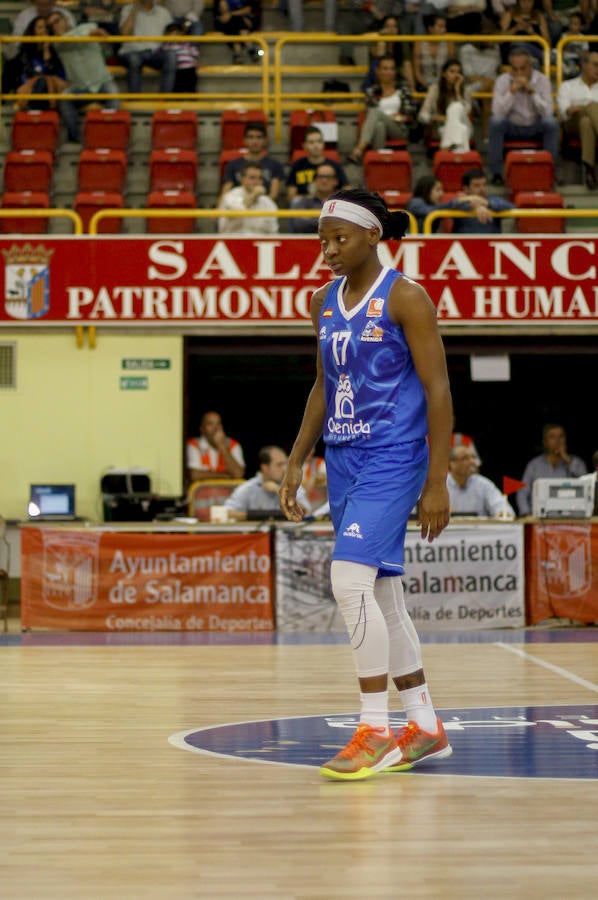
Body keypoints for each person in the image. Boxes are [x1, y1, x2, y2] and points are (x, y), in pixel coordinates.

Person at [279, 188, 454, 780]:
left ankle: (374, 729)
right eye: (322, 240)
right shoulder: (321, 301)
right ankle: (425, 725)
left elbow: (439, 393)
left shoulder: (406, 297)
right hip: (345, 459)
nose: (327, 250)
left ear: (374, 236)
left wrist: (437, 481)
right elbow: (324, 386)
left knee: (347, 579)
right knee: (381, 596)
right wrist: (298, 458)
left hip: (395, 456)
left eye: (339, 238)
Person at [488, 45, 559, 185]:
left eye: (523, 69)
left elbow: (548, 112)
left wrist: (532, 92)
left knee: (551, 123)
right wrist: (511, 92)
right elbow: (497, 112)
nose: (519, 73)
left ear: (531, 66)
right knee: (495, 122)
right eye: (515, 69)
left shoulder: (542, 80)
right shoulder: (503, 80)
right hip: (512, 127)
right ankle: (497, 173)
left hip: (535, 126)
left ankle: (550, 172)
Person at [48, 11, 120, 143]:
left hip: (102, 81)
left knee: (114, 94)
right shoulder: (57, 43)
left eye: (57, 21)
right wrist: (91, 34)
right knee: (64, 98)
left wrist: (91, 33)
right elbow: (70, 40)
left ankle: (105, 137)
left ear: (65, 19)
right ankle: (75, 139)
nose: (55, 26)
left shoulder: (86, 26)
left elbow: (92, 31)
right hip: (80, 87)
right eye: (51, 25)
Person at [346, 55, 417, 164]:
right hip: (377, 127)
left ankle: (359, 149)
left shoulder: (403, 89)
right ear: (378, 71)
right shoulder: (371, 91)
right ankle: (378, 162)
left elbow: (411, 110)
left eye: (392, 69)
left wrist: (400, 116)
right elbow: (369, 114)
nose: (389, 72)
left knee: (375, 113)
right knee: (379, 125)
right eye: (385, 68)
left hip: (398, 127)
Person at [516, 423, 588, 515]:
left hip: (570, 517)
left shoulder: (576, 462)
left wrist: (567, 460)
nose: (557, 441)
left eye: (561, 436)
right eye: (552, 437)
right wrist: (526, 513)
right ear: (545, 442)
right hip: (539, 518)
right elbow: (522, 492)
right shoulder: (534, 465)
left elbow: (587, 485)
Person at [225, 445, 310, 520]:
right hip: (258, 536)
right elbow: (227, 513)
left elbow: (305, 511)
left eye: (285, 464)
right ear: (265, 468)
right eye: (279, 465)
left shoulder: (293, 486)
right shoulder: (247, 488)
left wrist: (278, 490)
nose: (284, 469)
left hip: (287, 537)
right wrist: (258, 516)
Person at [556, 49, 598, 188]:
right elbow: (564, 111)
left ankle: (589, 170)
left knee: (586, 122)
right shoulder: (568, 86)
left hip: (588, 126)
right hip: (572, 125)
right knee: (591, 107)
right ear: (584, 65)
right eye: (595, 64)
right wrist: (584, 107)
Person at [118, 0, 177, 94]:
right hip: (132, 51)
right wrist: (134, 9)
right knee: (134, 60)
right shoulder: (127, 9)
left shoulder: (163, 12)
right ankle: (134, 100)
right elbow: (124, 33)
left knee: (171, 56)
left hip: (156, 52)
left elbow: (172, 34)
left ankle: (164, 99)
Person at [220, 121, 285, 203]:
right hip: (237, 207)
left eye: (259, 137)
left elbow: (273, 195)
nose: (255, 141)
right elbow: (225, 193)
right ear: (245, 140)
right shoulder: (232, 165)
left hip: (264, 208)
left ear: (265, 141)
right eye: (251, 137)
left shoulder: (275, 165)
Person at [418, 57, 473, 151]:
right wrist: (435, 117)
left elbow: (467, 111)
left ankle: (444, 149)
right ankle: (455, 153)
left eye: (458, 72)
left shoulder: (465, 90)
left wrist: (457, 92)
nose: (456, 75)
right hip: (443, 128)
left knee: (456, 107)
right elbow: (422, 115)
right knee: (460, 132)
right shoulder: (435, 89)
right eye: (452, 71)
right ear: (444, 73)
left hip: (464, 124)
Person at [13, 16, 66, 111]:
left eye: (46, 28)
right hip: (30, 89)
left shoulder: (54, 50)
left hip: (52, 91)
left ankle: (32, 108)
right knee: (41, 81)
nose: (44, 31)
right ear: (33, 31)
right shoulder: (26, 51)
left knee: (46, 81)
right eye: (40, 28)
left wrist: (46, 50)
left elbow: (54, 73)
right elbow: (30, 74)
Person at [447, 446, 515, 517]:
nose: (472, 462)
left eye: (473, 457)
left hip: (477, 528)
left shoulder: (483, 484)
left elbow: (501, 505)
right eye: (465, 458)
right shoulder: (441, 484)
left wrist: (503, 513)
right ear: (452, 463)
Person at [286, 126, 348, 202]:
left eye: (319, 141)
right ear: (304, 145)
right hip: (305, 207)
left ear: (323, 144)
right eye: (311, 142)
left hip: (329, 204)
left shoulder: (334, 166)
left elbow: (347, 191)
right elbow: (291, 197)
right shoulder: (297, 166)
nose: (316, 146)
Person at [218, 160, 279, 234]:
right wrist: (254, 194)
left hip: (259, 243)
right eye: (252, 178)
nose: (257, 182)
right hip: (233, 241)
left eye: (260, 178)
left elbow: (273, 232)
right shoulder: (230, 197)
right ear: (242, 179)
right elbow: (239, 210)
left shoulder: (268, 202)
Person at [186, 410, 246, 483]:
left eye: (218, 424)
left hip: (227, 493)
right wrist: (225, 476)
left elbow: (238, 474)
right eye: (210, 424)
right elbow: (194, 475)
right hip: (203, 493)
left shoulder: (233, 445)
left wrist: (223, 447)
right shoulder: (194, 444)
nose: (215, 428)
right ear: (202, 429)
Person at [451, 168, 514, 233]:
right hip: (464, 242)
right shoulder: (461, 201)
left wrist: (488, 204)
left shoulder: (492, 200)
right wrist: (475, 205)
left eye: (484, 185)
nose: (482, 189)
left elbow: (512, 207)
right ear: (466, 189)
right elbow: (443, 207)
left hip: (491, 241)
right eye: (477, 186)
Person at [288, 162, 340, 233]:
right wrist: (331, 221)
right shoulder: (303, 202)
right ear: (315, 180)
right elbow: (299, 225)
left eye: (328, 177)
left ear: (335, 181)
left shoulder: (342, 204)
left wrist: (313, 219)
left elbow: (347, 226)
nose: (324, 181)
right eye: (320, 177)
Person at [499, 0, 551, 67]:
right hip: (513, 53)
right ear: (518, 2)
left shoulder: (539, 17)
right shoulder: (509, 14)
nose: (526, 4)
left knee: (521, 45)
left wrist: (533, 33)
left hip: (535, 52)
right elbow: (499, 40)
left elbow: (548, 44)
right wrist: (516, 29)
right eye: (523, 1)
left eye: (529, 1)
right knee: (520, 46)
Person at [413, 13, 456, 92]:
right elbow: (417, 72)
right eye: (440, 27)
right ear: (430, 28)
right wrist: (428, 87)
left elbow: (453, 69)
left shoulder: (449, 43)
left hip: (444, 85)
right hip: (424, 84)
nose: (444, 30)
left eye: (444, 27)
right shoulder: (419, 43)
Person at [214, 0, 261, 64]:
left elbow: (248, 10)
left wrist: (231, 14)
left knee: (236, 20)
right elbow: (223, 14)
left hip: (243, 21)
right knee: (235, 21)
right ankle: (250, 48)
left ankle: (237, 53)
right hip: (229, 23)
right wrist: (236, 14)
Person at [163, 22, 199, 93]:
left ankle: (192, 99)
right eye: (173, 34)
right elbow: (161, 52)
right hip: (178, 69)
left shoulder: (186, 44)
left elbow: (195, 52)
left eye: (178, 33)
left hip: (190, 68)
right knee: (177, 87)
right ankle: (177, 100)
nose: (176, 36)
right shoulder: (167, 45)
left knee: (191, 86)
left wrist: (195, 59)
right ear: (167, 35)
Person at [561, 12, 589, 79]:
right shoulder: (564, 35)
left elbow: (586, 50)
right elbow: (562, 48)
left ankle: (581, 79)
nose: (572, 26)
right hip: (568, 58)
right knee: (571, 65)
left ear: (581, 27)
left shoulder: (583, 37)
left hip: (579, 58)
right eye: (570, 23)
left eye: (575, 24)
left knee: (584, 64)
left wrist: (583, 54)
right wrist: (568, 39)